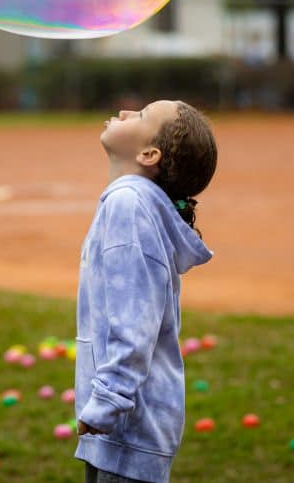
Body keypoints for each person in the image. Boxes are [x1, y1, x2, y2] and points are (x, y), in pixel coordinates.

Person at [75, 100, 218, 483]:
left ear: (149, 154)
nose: (124, 113)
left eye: (139, 115)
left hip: (126, 428)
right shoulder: (134, 203)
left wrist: (106, 401)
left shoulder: (129, 205)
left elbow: (135, 323)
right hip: (126, 429)